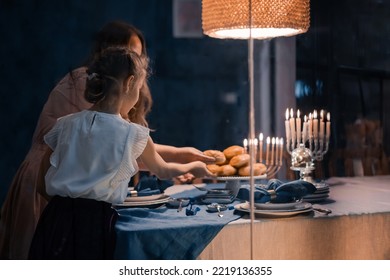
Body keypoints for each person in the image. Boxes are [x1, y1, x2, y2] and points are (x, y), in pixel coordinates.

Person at [0, 20, 214, 260]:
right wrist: (194, 166)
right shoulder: (129, 131)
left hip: (55, 215)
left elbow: (43, 180)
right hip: (93, 221)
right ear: (129, 81)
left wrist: (67, 203)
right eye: (134, 56)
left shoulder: (67, 124)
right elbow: (161, 169)